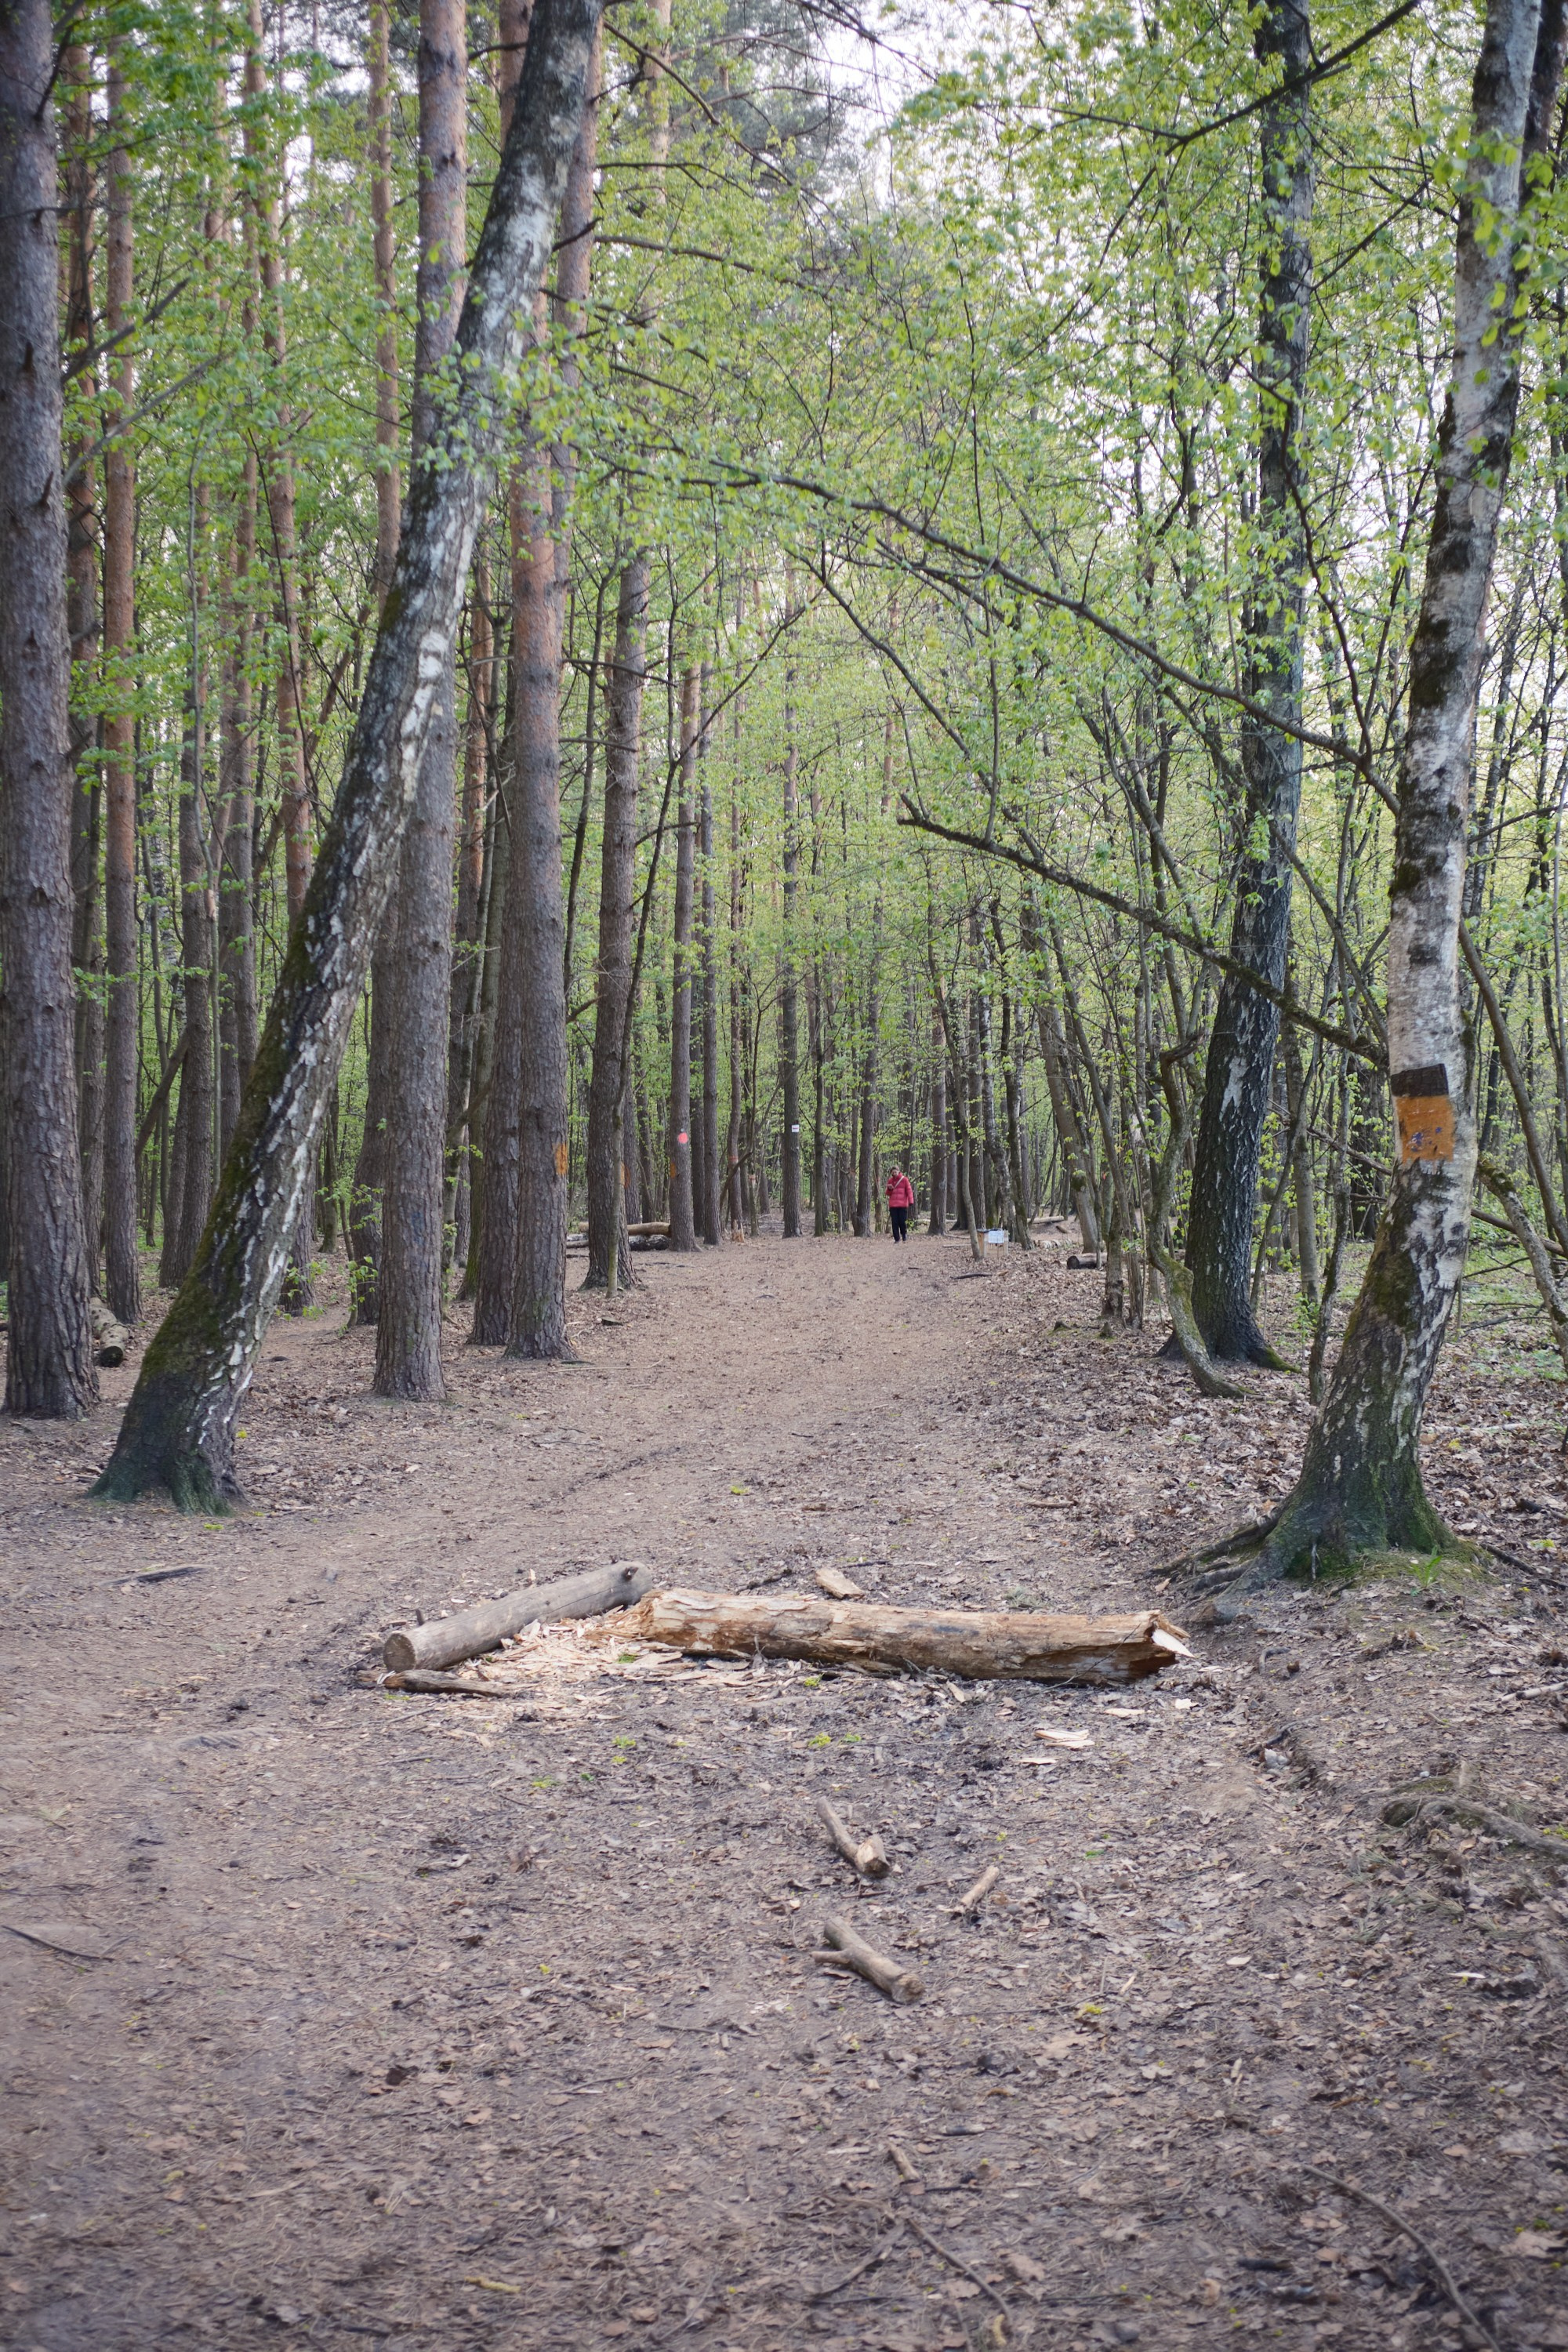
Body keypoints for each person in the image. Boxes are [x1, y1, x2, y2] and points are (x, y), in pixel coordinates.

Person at [885, 1163, 914, 1243]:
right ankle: (897, 1238)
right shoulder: (890, 1181)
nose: (894, 1174)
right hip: (893, 1205)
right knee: (895, 1222)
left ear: (898, 1171)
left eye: (895, 1172)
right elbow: (887, 1193)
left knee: (902, 1221)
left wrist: (911, 1201)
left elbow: (909, 1190)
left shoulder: (904, 1180)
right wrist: (889, 1189)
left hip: (902, 1205)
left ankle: (904, 1234)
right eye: (893, 1173)